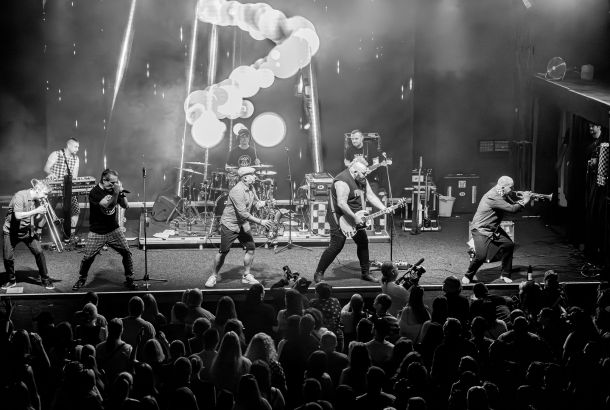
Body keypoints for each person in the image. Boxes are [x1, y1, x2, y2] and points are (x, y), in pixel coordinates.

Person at [314, 157, 387, 283]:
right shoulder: (342, 181)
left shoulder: (362, 178)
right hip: (339, 216)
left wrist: (384, 208)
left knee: (363, 242)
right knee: (337, 245)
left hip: (356, 215)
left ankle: (365, 273)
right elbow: (342, 204)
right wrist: (355, 218)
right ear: (354, 172)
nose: (366, 175)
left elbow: (370, 195)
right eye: (363, 173)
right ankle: (319, 273)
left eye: (366, 172)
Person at [205, 166, 273, 288]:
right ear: (245, 178)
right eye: (252, 175)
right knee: (223, 251)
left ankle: (246, 275)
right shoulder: (237, 191)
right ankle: (213, 276)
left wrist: (265, 203)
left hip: (243, 224)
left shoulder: (251, 188)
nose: (255, 177)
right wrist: (261, 221)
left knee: (251, 248)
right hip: (230, 224)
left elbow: (255, 203)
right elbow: (243, 213)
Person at [72, 169, 137, 291]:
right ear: (104, 180)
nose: (114, 185)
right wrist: (116, 193)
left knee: (126, 252)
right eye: (112, 183)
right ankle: (82, 278)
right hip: (97, 232)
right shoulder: (95, 192)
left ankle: (130, 278)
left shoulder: (113, 189)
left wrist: (121, 193)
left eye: (116, 182)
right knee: (88, 257)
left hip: (113, 230)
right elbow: (106, 205)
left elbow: (126, 206)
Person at [462, 176, 532, 284]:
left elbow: (512, 204)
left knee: (509, 245)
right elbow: (512, 209)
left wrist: (523, 198)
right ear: (503, 187)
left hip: (493, 228)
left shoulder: (503, 194)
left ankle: (505, 274)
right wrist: (526, 200)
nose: (513, 189)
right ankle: (468, 275)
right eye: (511, 187)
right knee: (481, 256)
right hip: (481, 229)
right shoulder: (493, 196)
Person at [2, 179, 54, 290]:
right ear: (37, 189)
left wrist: (42, 213)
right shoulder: (20, 196)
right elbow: (18, 216)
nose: (45, 197)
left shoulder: (38, 200)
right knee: (7, 257)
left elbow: (37, 218)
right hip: (11, 232)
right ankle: (11, 280)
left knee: (39, 252)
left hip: (27, 231)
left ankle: (45, 279)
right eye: (45, 194)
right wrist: (36, 211)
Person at [44, 137, 81, 237]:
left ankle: (71, 234)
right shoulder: (56, 154)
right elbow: (46, 168)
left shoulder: (76, 158)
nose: (77, 149)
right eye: (75, 147)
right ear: (68, 145)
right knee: (47, 210)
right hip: (54, 188)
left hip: (68, 189)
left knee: (76, 210)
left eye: (78, 147)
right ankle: (38, 231)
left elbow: (75, 176)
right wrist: (51, 173)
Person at [343, 129, 388, 196]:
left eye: (356, 139)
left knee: (373, 199)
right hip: (356, 180)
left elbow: (376, 163)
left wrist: (370, 170)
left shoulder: (370, 147)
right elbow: (346, 162)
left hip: (370, 179)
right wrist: (352, 165)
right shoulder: (349, 149)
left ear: (362, 138)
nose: (354, 141)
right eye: (352, 139)